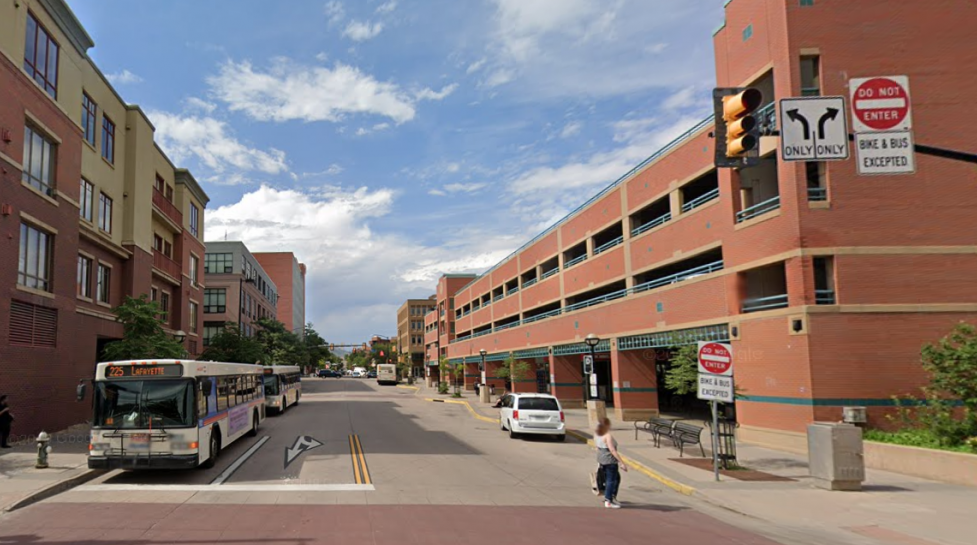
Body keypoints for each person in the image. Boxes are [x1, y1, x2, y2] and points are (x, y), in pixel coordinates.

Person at [594, 417, 627, 508]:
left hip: (602, 460)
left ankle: (611, 496)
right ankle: (608, 500)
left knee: (616, 478)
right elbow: (612, 450)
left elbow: (597, 447)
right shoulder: (607, 435)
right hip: (610, 461)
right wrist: (621, 462)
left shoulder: (597, 434)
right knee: (611, 480)